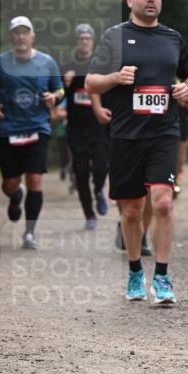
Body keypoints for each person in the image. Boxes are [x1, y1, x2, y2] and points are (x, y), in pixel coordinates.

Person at [85, 0, 188, 304]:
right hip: (125, 135)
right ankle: (135, 270)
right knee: (132, 210)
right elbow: (92, 82)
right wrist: (115, 78)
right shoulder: (115, 37)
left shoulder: (172, 38)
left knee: (163, 202)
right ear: (130, 1)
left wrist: (187, 88)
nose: (151, 0)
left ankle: (161, 276)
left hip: (164, 132)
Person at [0, 15, 64, 249]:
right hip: (8, 129)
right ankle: (15, 196)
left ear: (32, 36)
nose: (21, 36)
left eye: (25, 32)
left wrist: (53, 97)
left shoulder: (47, 62)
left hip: (37, 127)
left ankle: (29, 233)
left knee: (35, 179)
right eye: (16, 32)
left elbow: (59, 90)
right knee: (10, 182)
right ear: (10, 36)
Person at [62, 23, 110, 229]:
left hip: (99, 127)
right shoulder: (67, 66)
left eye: (87, 38)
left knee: (101, 166)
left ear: (92, 41)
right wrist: (64, 83)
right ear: (76, 42)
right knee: (80, 172)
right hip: (76, 128)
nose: (83, 41)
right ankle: (89, 214)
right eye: (80, 38)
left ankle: (99, 190)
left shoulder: (101, 65)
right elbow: (56, 94)